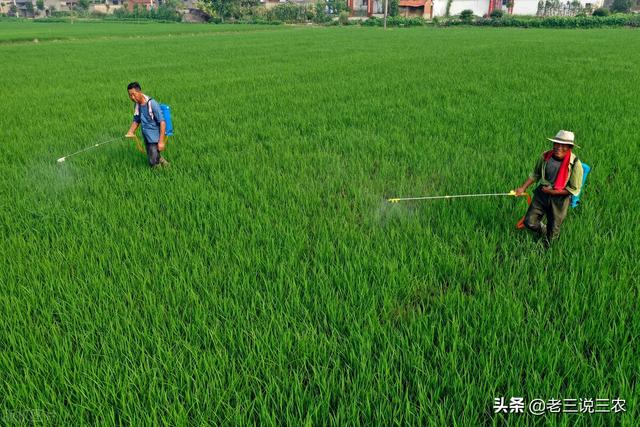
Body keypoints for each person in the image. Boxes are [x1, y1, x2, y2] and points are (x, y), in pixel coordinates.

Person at [514, 130, 584, 245]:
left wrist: (553, 192)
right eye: (556, 144)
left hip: (559, 200)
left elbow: (573, 189)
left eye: (563, 145)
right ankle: (544, 231)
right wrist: (522, 188)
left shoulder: (576, 164)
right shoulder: (546, 156)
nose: (558, 147)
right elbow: (535, 174)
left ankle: (548, 248)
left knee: (553, 231)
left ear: (570, 147)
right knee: (529, 222)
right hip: (542, 193)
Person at [125, 82, 168, 168]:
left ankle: (158, 174)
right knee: (152, 154)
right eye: (130, 95)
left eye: (133, 94)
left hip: (154, 137)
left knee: (152, 160)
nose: (132, 97)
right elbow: (137, 119)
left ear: (140, 92)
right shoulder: (137, 105)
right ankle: (167, 166)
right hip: (146, 136)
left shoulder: (152, 104)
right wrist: (131, 131)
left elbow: (162, 122)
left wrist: (161, 141)